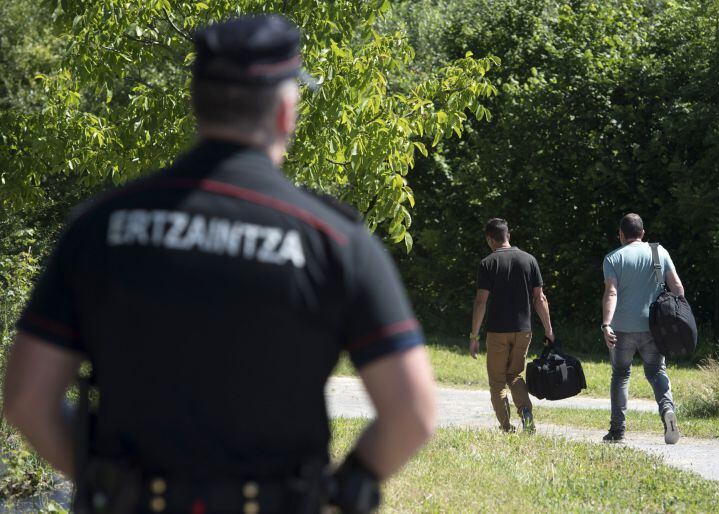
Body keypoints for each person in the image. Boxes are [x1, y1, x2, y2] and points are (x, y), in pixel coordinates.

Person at [2, 14, 436, 514]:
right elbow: (413, 412)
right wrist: (346, 487)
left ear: (196, 102)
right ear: (285, 112)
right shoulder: (334, 241)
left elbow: (27, 401)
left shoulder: (100, 228)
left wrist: (106, 481)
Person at [601, 213, 684, 444]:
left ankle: (617, 431)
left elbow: (612, 292)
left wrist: (606, 324)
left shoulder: (613, 258)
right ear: (642, 233)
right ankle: (667, 410)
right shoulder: (659, 252)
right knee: (656, 371)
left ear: (621, 234)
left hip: (621, 329)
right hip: (654, 328)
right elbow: (677, 288)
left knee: (620, 375)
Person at [469, 218, 555, 433]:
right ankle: (526, 413)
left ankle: (506, 427)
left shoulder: (488, 263)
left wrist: (474, 335)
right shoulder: (529, 260)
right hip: (524, 330)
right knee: (515, 375)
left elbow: (481, 302)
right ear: (508, 235)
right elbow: (540, 299)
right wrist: (549, 330)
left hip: (497, 330)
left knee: (497, 381)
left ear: (490, 239)